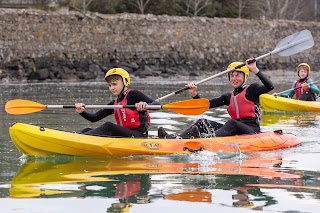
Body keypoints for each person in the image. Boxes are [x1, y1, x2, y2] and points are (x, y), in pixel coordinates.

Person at [158, 58, 274, 139]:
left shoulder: (252, 90)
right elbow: (206, 105)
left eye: (237, 75)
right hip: (234, 130)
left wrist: (255, 69)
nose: (234, 78)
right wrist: (194, 94)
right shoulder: (229, 96)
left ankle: (207, 140)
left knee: (232, 123)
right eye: (232, 76)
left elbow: (270, 86)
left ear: (245, 77)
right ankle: (178, 139)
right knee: (202, 122)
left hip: (251, 130)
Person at [75, 68, 154, 137]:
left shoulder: (133, 94)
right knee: (87, 129)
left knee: (109, 126)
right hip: (124, 136)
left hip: (139, 135)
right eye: (109, 85)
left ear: (125, 82)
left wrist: (145, 104)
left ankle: (78, 139)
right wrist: (82, 112)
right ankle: (76, 139)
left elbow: (156, 104)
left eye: (114, 84)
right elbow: (94, 118)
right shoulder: (114, 103)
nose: (112, 88)